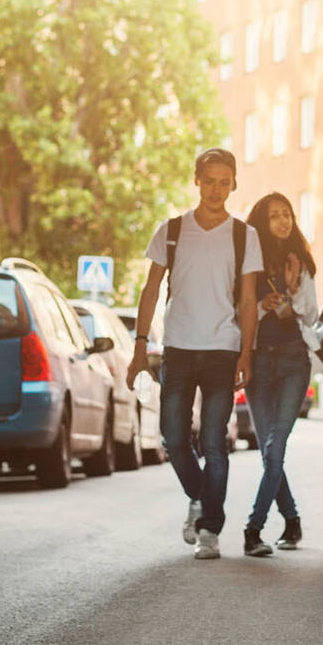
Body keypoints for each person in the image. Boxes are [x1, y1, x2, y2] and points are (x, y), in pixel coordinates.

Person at [128, 147, 262, 561]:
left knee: (214, 441)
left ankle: (209, 529)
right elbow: (150, 290)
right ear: (197, 181)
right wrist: (138, 348)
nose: (217, 189)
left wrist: (246, 353)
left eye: (225, 182)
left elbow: (248, 299)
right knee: (172, 435)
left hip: (222, 348)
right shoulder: (171, 230)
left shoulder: (244, 235)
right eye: (210, 181)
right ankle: (201, 497)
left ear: (234, 184)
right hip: (179, 348)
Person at [239, 193, 322, 556]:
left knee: (276, 446)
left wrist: (288, 297)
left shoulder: (299, 260)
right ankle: (291, 519)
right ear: (261, 222)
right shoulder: (249, 264)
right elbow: (238, 311)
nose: (282, 221)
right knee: (268, 451)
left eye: (286, 214)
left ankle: (252, 529)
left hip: (292, 361)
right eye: (274, 216)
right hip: (259, 361)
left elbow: (311, 315)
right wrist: (262, 305)